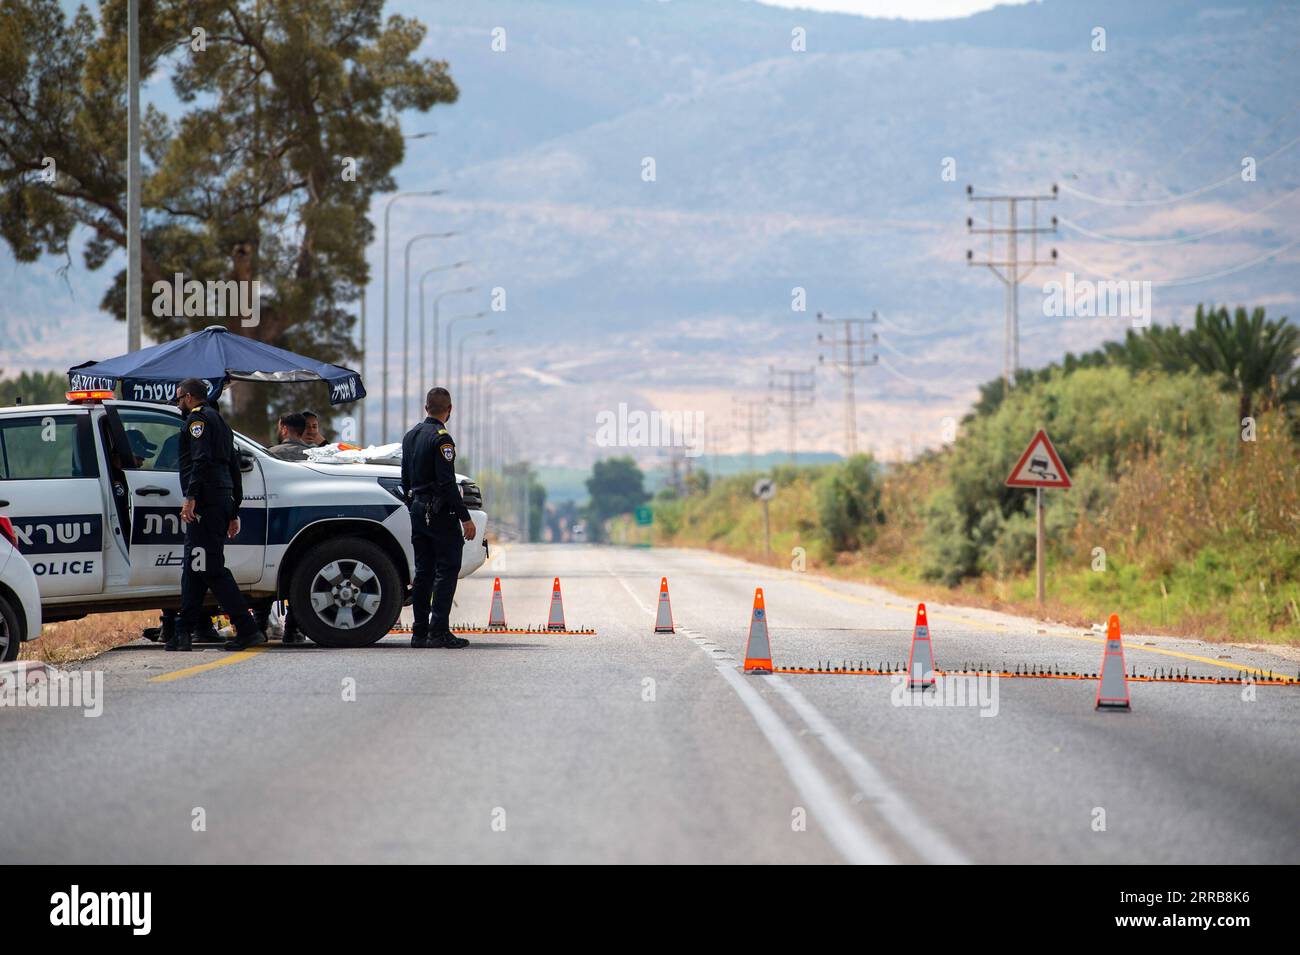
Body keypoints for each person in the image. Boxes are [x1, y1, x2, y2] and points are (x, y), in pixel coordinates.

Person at [169, 378, 265, 652]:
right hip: (220, 500)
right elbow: (234, 466)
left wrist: (191, 498)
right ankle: (183, 632)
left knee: (209, 567)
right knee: (194, 566)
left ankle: (247, 629)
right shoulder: (221, 422)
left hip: (206, 503)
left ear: (188, 397)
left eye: (178, 400)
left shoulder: (197, 422)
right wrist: (234, 509)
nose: (178, 406)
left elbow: (201, 460)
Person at [400, 387, 476, 648]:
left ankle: (419, 632)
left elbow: (405, 481)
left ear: (426, 408)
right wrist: (465, 518)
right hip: (440, 514)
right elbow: (446, 484)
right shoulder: (442, 439)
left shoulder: (411, 436)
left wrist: (416, 507)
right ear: (450, 410)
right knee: (446, 569)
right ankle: (439, 631)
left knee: (423, 572)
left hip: (418, 511)